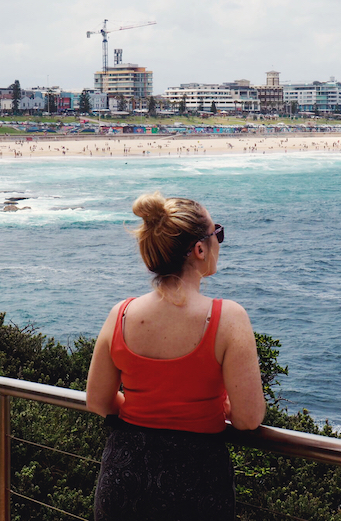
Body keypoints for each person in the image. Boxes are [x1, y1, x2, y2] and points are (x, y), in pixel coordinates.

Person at [86, 192, 266, 520]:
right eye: (218, 234)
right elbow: (248, 419)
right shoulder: (228, 318)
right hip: (196, 480)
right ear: (199, 249)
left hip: (124, 474)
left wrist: (147, 407)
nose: (220, 243)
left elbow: (98, 401)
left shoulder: (121, 314)